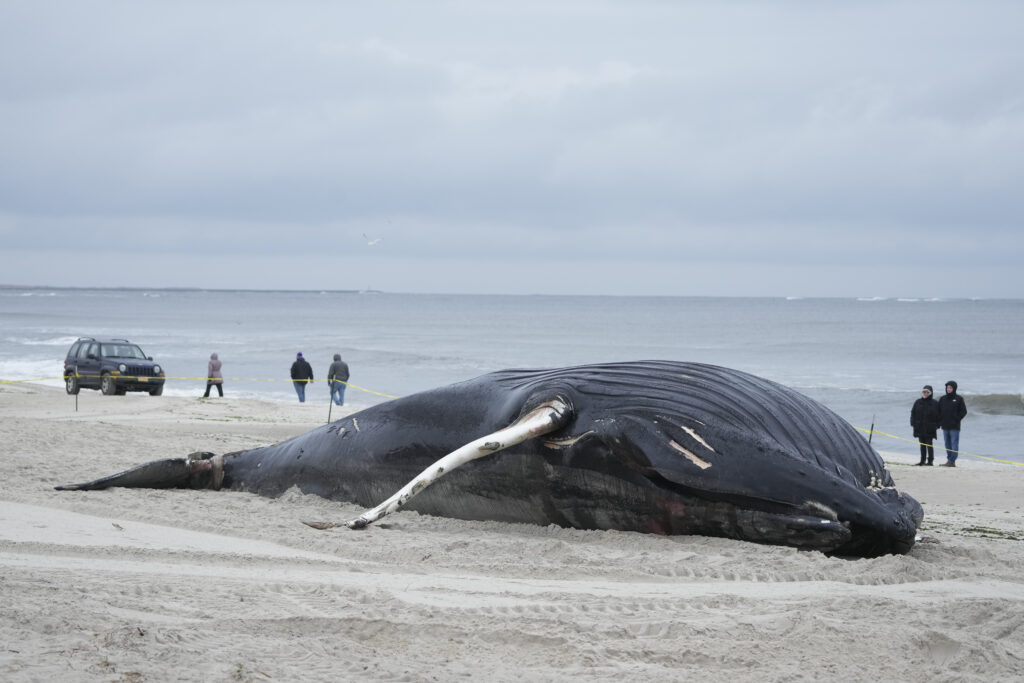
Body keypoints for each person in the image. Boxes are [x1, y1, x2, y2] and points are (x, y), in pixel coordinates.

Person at [937, 380, 968, 467]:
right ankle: (950, 461)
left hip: (954, 426)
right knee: (947, 444)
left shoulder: (959, 399)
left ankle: (951, 460)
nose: (948, 389)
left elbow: (964, 411)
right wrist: (939, 423)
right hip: (945, 426)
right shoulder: (942, 399)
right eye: (947, 388)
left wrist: (956, 419)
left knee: (954, 444)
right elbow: (938, 412)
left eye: (950, 388)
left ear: (954, 388)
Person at [910, 385, 940, 466]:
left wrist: (937, 425)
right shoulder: (918, 402)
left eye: (927, 392)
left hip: (930, 428)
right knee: (922, 444)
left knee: (929, 444)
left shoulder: (935, 403)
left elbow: (939, 416)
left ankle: (930, 461)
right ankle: (922, 461)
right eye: (924, 392)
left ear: (930, 393)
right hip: (919, 427)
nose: (925, 393)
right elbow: (913, 413)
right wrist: (913, 423)